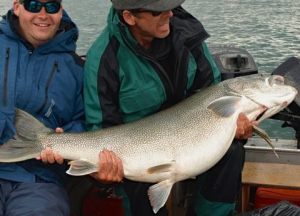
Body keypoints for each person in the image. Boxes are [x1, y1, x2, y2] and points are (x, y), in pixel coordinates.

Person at [83, 0, 255, 215]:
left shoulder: (189, 36)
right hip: (136, 151)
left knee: (232, 149)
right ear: (129, 17)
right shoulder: (104, 58)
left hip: (192, 134)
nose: (170, 14)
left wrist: (235, 123)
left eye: (171, 6)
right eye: (158, 11)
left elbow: (215, 93)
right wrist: (104, 169)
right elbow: (101, 128)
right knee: (136, 187)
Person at [0, 0, 123, 215]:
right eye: (33, 4)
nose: (43, 14)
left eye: (51, 7)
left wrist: (64, 140)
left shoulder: (78, 68)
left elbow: (84, 121)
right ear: (17, 6)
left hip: (39, 180)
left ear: (61, 10)